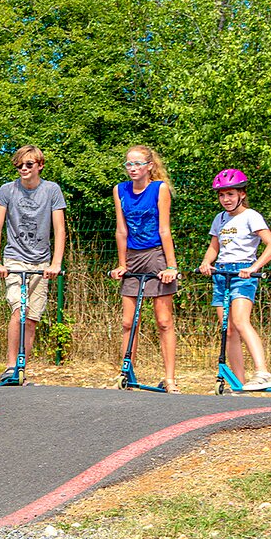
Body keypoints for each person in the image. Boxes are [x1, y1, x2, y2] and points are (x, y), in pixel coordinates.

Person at [0, 145, 67, 382]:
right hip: (15, 259)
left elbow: (59, 229)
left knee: (31, 318)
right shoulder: (7, 190)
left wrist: (55, 263)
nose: (23, 168)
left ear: (40, 166)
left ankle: (22, 369)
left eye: (29, 164)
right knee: (19, 310)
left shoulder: (51, 190)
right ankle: (11, 366)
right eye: (19, 165)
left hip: (41, 262)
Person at [197, 168, 271, 390]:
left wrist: (253, 268)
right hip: (221, 273)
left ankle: (263, 373)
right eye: (222, 195)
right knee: (228, 329)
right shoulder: (220, 218)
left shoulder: (251, 216)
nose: (226, 199)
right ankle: (239, 383)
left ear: (242, 194)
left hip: (242, 273)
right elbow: (214, 247)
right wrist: (206, 262)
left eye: (230, 194)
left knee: (241, 321)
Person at [109, 145, 181, 392]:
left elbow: (164, 229)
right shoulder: (120, 190)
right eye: (129, 164)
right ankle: (126, 374)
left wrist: (171, 265)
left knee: (163, 320)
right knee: (128, 321)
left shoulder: (159, 188)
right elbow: (121, 230)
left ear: (149, 166)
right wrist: (122, 264)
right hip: (133, 255)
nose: (133, 168)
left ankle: (170, 379)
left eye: (138, 163)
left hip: (156, 254)